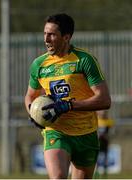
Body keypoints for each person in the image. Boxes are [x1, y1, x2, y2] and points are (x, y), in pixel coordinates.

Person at [25, 13, 111, 179]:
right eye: (45, 34)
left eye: (52, 34)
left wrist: (69, 105)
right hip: (56, 131)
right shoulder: (39, 64)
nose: (46, 39)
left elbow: (104, 99)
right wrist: (32, 113)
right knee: (58, 176)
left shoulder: (84, 60)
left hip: (86, 133)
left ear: (66, 37)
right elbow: (30, 95)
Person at [96, 110, 114, 177]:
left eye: (103, 112)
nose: (102, 113)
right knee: (97, 158)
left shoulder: (108, 121)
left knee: (105, 157)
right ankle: (96, 172)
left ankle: (105, 173)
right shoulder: (97, 121)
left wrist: (106, 136)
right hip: (98, 142)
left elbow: (110, 132)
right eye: (100, 112)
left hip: (105, 142)